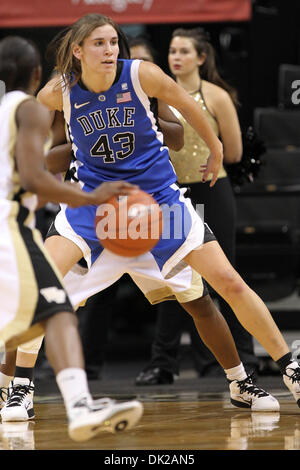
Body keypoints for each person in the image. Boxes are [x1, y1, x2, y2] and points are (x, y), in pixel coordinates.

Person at [1, 13, 300, 421]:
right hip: (95, 208)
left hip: (159, 204)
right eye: (99, 44)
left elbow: (186, 107)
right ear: (77, 51)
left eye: (112, 42)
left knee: (223, 285)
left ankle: (277, 372)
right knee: (43, 287)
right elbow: (28, 136)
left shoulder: (143, 74)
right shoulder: (59, 92)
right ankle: (19, 389)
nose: (109, 50)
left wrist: (213, 144)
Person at [0, 35, 143, 441]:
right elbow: (33, 177)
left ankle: (14, 393)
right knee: (58, 309)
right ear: (34, 75)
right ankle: (79, 406)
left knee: (43, 312)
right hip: (9, 227)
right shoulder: (26, 108)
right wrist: (88, 195)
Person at [135, 29, 258, 385]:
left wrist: (208, 156)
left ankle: (244, 356)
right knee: (172, 275)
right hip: (170, 194)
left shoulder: (216, 96)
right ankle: (164, 362)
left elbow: (233, 153)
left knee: (225, 277)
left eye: (184, 51)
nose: (176, 57)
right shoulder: (155, 93)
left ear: (201, 58)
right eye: (172, 51)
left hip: (212, 190)